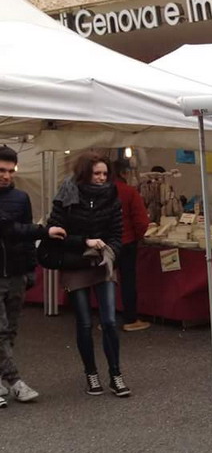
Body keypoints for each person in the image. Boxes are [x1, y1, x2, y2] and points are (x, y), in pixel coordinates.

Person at [47, 152, 131, 397]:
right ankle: (91, 374)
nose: (101, 178)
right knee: (84, 323)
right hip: (75, 263)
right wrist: (85, 241)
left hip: (102, 264)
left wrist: (111, 252)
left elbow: (117, 233)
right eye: (97, 173)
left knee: (109, 321)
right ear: (85, 173)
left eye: (105, 174)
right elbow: (55, 232)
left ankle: (116, 374)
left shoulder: (111, 196)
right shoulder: (67, 194)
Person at [0, 146, 66, 407]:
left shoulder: (21, 198)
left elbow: (25, 236)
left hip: (16, 272)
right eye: (1, 170)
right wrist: (44, 231)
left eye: (10, 171)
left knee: (11, 330)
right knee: (0, 330)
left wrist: (30, 269)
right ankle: (15, 381)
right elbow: (8, 228)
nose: (6, 175)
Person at [113, 158, 150, 332]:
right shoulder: (129, 192)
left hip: (104, 243)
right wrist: (138, 236)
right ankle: (130, 319)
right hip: (126, 242)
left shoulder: (100, 191)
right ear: (124, 173)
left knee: (104, 281)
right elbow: (141, 221)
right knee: (128, 280)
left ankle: (107, 319)